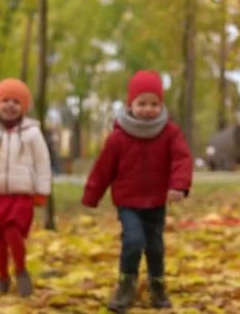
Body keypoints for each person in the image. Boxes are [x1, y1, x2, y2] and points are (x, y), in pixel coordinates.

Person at [81, 70, 193, 312]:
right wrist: (92, 194)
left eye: (154, 104)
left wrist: (179, 185)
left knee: (155, 246)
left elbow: (182, 159)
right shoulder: (118, 138)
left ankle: (157, 286)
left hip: (156, 201)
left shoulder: (170, 132)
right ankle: (125, 286)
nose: (148, 109)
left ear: (161, 105)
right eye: (142, 103)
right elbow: (103, 169)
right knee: (133, 241)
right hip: (128, 201)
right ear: (130, 104)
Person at [0, 78, 51, 297]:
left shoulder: (32, 132)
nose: (10, 105)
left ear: (23, 106)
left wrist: (42, 190)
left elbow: (43, 162)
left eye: (16, 101)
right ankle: (2, 276)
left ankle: (21, 270)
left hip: (21, 194)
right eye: (5, 100)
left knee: (12, 230)